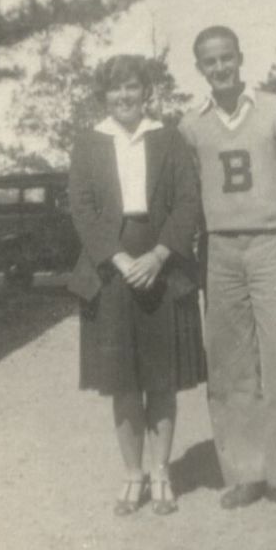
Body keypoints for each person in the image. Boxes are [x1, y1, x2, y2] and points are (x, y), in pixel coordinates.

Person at [178, 26, 276, 513]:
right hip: (219, 250)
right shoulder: (191, 125)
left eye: (226, 58)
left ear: (240, 58)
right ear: (200, 68)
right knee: (230, 364)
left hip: (270, 245)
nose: (220, 67)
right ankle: (246, 472)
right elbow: (187, 190)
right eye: (210, 61)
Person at [68, 54, 206, 516]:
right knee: (122, 378)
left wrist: (159, 254)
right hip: (111, 267)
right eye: (115, 88)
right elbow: (82, 208)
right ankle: (133, 474)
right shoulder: (89, 142)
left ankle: (161, 471)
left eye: (132, 87)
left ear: (146, 92)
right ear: (104, 95)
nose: (124, 96)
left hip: (161, 261)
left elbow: (188, 201)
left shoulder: (168, 138)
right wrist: (121, 258)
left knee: (161, 376)